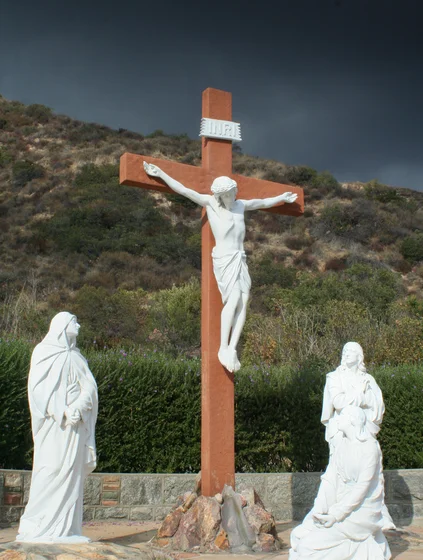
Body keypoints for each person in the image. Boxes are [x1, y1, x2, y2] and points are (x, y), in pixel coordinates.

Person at [144, 162, 297, 372]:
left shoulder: (240, 205)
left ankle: (232, 348)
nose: (232, 196)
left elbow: (261, 202)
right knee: (233, 299)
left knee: (244, 302)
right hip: (224, 258)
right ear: (220, 195)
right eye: (228, 194)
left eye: (234, 192)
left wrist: (281, 198)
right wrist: (160, 174)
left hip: (240, 257)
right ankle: (222, 347)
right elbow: (184, 190)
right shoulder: (210, 203)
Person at [16, 312, 98, 543]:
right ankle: (37, 526)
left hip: (75, 427)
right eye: (74, 321)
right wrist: (62, 410)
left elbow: (90, 388)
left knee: (71, 474)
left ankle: (66, 529)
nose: (79, 324)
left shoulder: (78, 358)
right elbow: (38, 390)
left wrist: (79, 408)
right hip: (55, 426)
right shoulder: (43, 353)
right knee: (49, 469)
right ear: (62, 325)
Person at [289, 406, 391, 560]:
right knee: (297, 535)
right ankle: (360, 548)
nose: (337, 419)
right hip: (339, 504)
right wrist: (320, 508)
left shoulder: (369, 447)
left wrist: (336, 515)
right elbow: (330, 479)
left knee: (306, 548)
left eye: (341, 415)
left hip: (361, 510)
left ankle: (364, 549)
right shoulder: (341, 445)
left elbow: (362, 487)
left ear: (352, 420)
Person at [321, 341, 395, 531]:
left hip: (364, 429)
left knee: (372, 470)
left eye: (351, 351)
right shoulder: (334, 377)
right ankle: (334, 509)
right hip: (342, 430)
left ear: (359, 356)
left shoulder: (368, 379)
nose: (346, 353)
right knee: (339, 471)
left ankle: (380, 511)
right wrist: (360, 395)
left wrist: (359, 399)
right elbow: (338, 402)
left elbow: (377, 404)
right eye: (344, 350)